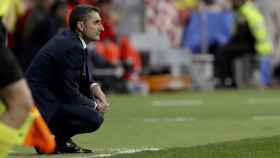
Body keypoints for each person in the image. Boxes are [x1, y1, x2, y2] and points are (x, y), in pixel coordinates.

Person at [26, 4, 109, 154]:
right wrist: (96, 105)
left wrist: (96, 89)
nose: (102, 28)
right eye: (96, 22)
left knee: (90, 107)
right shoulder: (72, 47)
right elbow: (70, 92)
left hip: (43, 100)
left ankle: (59, 141)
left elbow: (82, 78)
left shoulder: (71, 41)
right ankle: (43, 136)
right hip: (40, 107)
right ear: (81, 26)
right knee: (94, 118)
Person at [215, 0, 272, 88]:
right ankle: (229, 80)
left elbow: (258, 29)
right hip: (245, 44)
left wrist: (262, 46)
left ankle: (227, 80)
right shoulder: (240, 11)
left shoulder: (248, 11)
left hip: (253, 45)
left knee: (222, 52)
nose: (232, 3)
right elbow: (235, 31)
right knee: (223, 50)